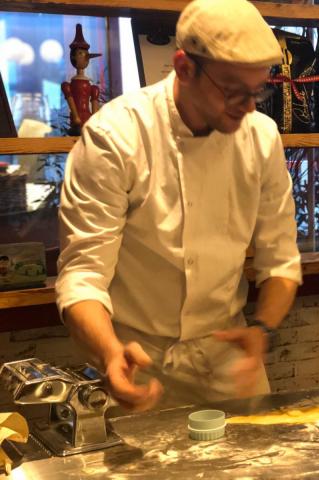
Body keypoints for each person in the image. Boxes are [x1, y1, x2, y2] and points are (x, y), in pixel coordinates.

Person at [56, 0, 302, 411]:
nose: (249, 107)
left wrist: (262, 329)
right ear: (184, 68)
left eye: (258, 91)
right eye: (233, 91)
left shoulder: (262, 137)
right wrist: (110, 353)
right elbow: (83, 275)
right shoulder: (116, 136)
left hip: (229, 359)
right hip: (137, 359)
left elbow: (280, 261)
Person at [61, 24, 102, 135]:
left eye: (86, 54)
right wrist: (75, 117)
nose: (85, 56)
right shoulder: (68, 85)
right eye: (80, 53)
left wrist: (94, 120)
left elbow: (94, 107)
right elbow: (70, 100)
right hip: (77, 120)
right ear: (73, 57)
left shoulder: (93, 87)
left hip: (88, 119)